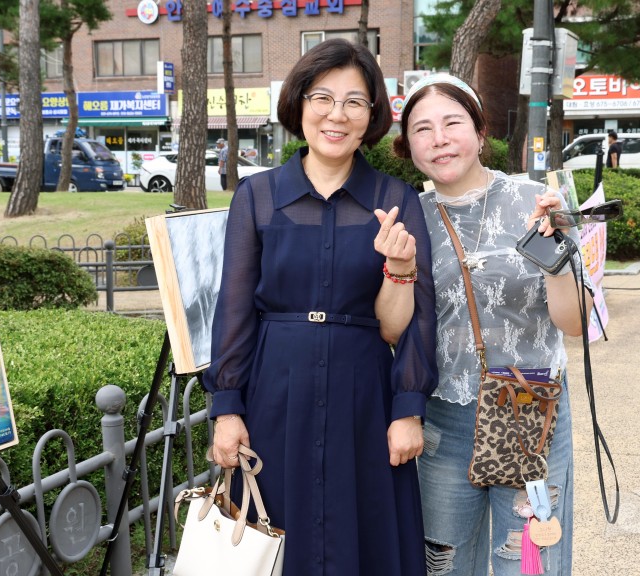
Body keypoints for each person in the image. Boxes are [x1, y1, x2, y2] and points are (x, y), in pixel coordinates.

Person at [204, 38, 438, 576]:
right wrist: (227, 406)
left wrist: (408, 408)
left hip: (366, 397)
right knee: (271, 537)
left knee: (367, 536)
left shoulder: (396, 199)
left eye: (355, 102)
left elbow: (414, 320)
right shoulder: (257, 196)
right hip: (273, 393)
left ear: (372, 115)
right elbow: (234, 308)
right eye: (323, 97)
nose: (337, 114)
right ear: (299, 104)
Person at [393, 73, 594, 576]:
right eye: (422, 129)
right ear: (408, 146)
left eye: (452, 122)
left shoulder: (537, 201)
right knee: (445, 564)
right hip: (444, 424)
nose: (438, 138)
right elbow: (392, 331)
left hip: (532, 417)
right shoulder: (408, 220)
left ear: (481, 132)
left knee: (527, 563)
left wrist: (555, 248)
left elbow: (573, 323)